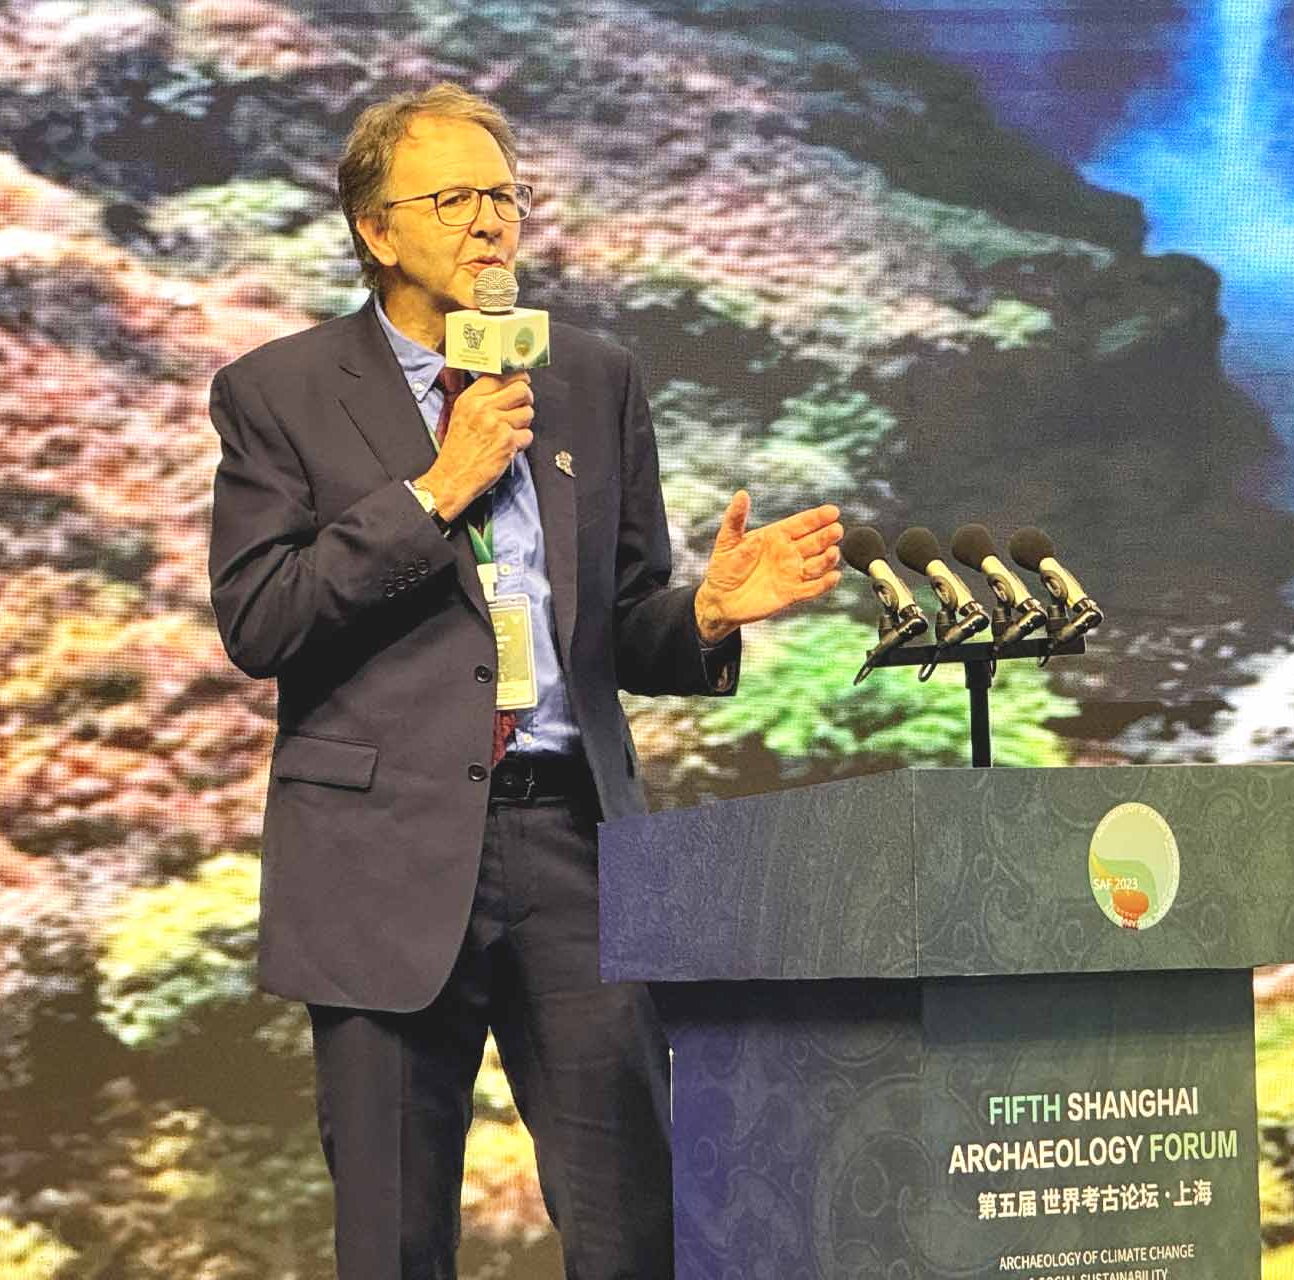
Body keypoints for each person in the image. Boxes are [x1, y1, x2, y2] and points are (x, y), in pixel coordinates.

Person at [205, 82, 843, 1279]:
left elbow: (622, 628)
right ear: (376, 230)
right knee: (395, 1241)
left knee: (632, 1227)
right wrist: (434, 491)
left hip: (574, 847)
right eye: (454, 199)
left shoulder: (590, 378)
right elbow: (261, 617)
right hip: (382, 859)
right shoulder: (277, 391)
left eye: (504, 196)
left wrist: (707, 610)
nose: (491, 223)